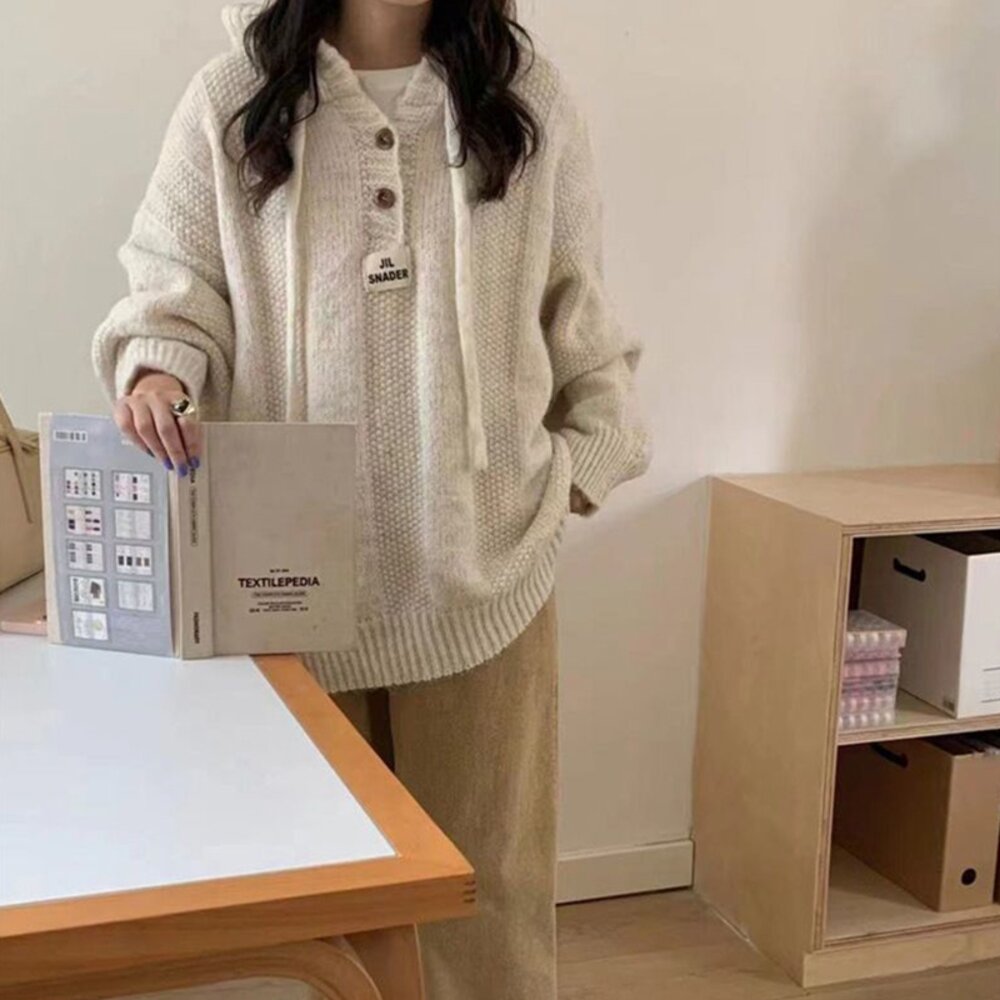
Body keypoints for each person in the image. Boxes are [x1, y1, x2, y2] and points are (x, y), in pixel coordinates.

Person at [92, 1, 651, 996]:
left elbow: (578, 299)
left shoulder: (524, 98)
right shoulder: (233, 99)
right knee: (327, 913)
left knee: (488, 898)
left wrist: (585, 460)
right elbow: (174, 281)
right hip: (290, 583)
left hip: (484, 578)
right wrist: (160, 370)